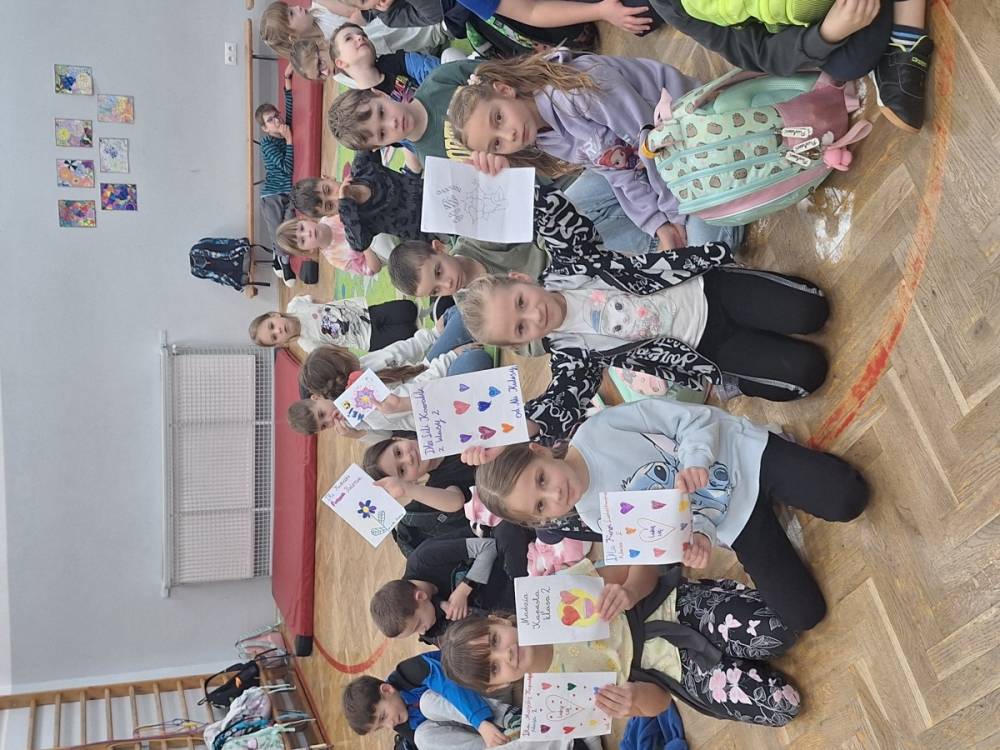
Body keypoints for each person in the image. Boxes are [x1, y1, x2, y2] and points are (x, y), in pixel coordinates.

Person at [454, 183, 829, 444]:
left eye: (521, 302)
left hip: (710, 288)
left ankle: (756, 332)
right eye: (521, 329)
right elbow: (564, 401)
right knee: (806, 374)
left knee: (813, 311)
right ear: (521, 344)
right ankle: (735, 380)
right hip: (707, 351)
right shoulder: (571, 354)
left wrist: (497, 183)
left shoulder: (572, 261)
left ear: (521, 279)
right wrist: (525, 426)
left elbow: (552, 212)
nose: (535, 317)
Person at [469, 396, 869, 632]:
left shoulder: (600, 430)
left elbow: (695, 418)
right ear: (543, 521)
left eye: (541, 479)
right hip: (733, 522)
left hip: (746, 456)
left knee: (849, 498)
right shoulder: (593, 517)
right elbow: (670, 533)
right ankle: (780, 499)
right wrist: (699, 540)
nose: (555, 493)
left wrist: (696, 461)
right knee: (804, 614)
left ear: (540, 451)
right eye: (541, 505)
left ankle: (785, 452)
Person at [439, 559, 803, 726]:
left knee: (778, 629)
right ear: (497, 686)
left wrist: (629, 591)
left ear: (499, 620)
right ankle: (737, 658)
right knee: (781, 706)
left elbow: (640, 566)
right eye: (495, 667)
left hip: (670, 609)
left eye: (495, 640)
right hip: (671, 672)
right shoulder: (557, 696)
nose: (506, 653)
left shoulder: (550, 599)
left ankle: (730, 618)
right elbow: (660, 703)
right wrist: (633, 699)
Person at [643, 0, 933, 131]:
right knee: (847, 62)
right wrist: (827, 34)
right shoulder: (671, 4)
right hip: (816, 17)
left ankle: (905, 35)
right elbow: (757, 53)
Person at [287, 339, 493, 436]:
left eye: (322, 414)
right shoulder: (362, 413)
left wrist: (434, 335)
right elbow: (422, 392)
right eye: (324, 425)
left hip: (424, 375)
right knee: (475, 359)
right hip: (441, 406)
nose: (330, 420)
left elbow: (398, 354)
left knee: (454, 317)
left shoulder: (353, 380)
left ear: (317, 397)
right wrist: (452, 356)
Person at [368, 524, 531, 644]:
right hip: (501, 598)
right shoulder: (430, 624)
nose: (422, 631)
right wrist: (442, 606)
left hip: (502, 560)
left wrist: (464, 588)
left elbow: (488, 547)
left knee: (507, 532)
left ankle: (530, 594)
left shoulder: (424, 559)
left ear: (421, 596)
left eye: (418, 625)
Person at [342, 651, 521, 749]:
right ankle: (501, 746)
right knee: (422, 738)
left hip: (487, 690)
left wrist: (480, 723)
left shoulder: (410, 671)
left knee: (427, 702)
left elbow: (452, 686)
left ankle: (511, 716)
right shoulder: (399, 722)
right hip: (483, 730)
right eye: (381, 726)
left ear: (387, 690)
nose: (390, 724)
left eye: (383, 717)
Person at [291, 24, 440, 105]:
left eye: (320, 64)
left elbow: (411, 45)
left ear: (321, 44)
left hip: (432, 33)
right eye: (320, 75)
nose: (326, 73)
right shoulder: (339, 74)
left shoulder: (360, 45)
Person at [260, 0, 446, 59]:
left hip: (399, 16)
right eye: (291, 14)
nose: (298, 7)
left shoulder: (320, 6)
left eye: (290, 8)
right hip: (399, 40)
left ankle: (437, 25)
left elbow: (357, 11)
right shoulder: (326, 53)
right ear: (292, 37)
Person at [249, 295, 417, 353]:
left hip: (367, 313)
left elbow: (314, 300)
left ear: (274, 315)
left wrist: (331, 305)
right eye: (274, 337)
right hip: (368, 339)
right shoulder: (308, 344)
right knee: (411, 332)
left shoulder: (296, 305)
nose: (278, 330)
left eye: (272, 326)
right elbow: (337, 350)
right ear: (280, 343)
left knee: (409, 309)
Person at [274, 214, 381, 275]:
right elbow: (373, 269)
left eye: (302, 228)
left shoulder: (330, 215)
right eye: (302, 240)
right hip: (378, 251)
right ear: (307, 250)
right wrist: (364, 244)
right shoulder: (335, 258)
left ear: (305, 219)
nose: (307, 233)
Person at [255, 66, 296, 202]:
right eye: (270, 120)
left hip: (287, 193)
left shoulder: (285, 127)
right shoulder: (267, 143)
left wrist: (287, 77)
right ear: (265, 128)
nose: (277, 120)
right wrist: (289, 140)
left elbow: (289, 103)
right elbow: (287, 168)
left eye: (276, 115)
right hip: (272, 195)